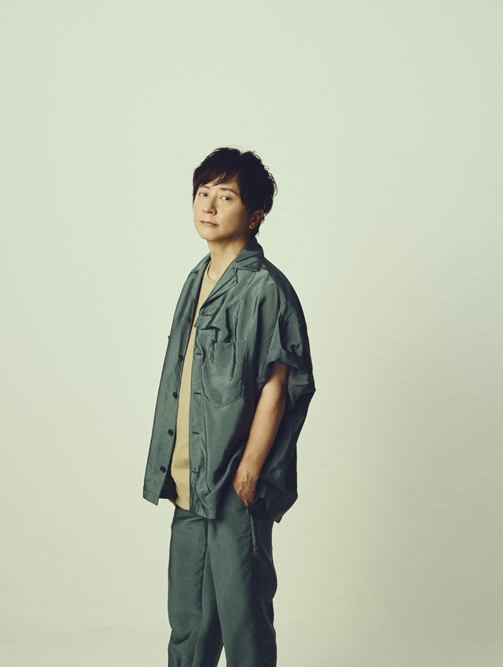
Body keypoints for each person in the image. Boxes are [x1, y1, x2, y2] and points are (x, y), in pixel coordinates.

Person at [142, 147, 315, 667]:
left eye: (226, 196)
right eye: (202, 193)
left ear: (255, 215)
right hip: (188, 480)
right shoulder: (196, 279)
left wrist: (250, 471)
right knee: (188, 623)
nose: (209, 206)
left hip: (234, 482)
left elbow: (278, 386)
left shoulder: (264, 289)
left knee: (244, 624)